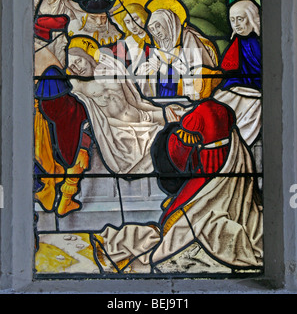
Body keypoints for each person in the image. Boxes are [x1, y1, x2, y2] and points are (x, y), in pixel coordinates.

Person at [92, 73, 263, 273]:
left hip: (211, 180)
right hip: (214, 171)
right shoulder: (214, 119)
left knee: (188, 225)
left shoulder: (210, 124)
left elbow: (192, 152)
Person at [67, 35, 176, 174]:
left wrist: (161, 111)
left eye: (78, 61)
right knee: (168, 137)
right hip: (121, 132)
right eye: (72, 67)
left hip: (141, 116)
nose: (77, 68)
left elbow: (136, 102)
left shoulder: (112, 67)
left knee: (181, 115)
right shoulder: (77, 85)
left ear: (86, 56)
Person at [34, 16, 93, 216]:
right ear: (54, 39)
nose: (66, 44)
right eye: (64, 39)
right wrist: (83, 108)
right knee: (80, 152)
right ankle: (63, 201)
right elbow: (56, 108)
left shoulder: (41, 59)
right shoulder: (50, 68)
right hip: (41, 129)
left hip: (37, 121)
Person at [137, 0, 219, 98]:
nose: (156, 32)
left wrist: (163, 69)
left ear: (169, 23)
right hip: (163, 96)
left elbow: (196, 71)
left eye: (158, 26)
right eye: (152, 29)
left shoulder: (187, 38)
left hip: (187, 96)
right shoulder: (160, 45)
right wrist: (147, 68)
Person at [214, 0, 261, 146]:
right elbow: (229, 71)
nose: (236, 24)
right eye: (233, 20)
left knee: (248, 105)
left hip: (257, 90)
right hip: (239, 87)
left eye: (240, 19)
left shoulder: (260, 43)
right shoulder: (237, 42)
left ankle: (236, 140)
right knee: (219, 99)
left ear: (252, 18)